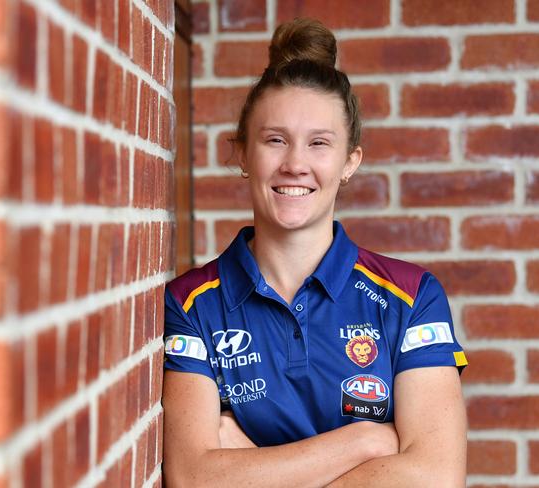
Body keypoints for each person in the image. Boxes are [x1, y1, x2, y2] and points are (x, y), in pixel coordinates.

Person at [162, 18, 468, 487]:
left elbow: (436, 477)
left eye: (319, 143)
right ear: (243, 153)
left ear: (350, 161)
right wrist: (365, 441)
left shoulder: (413, 298)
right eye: (275, 140)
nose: (295, 164)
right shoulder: (190, 305)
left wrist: (249, 467)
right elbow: (194, 478)